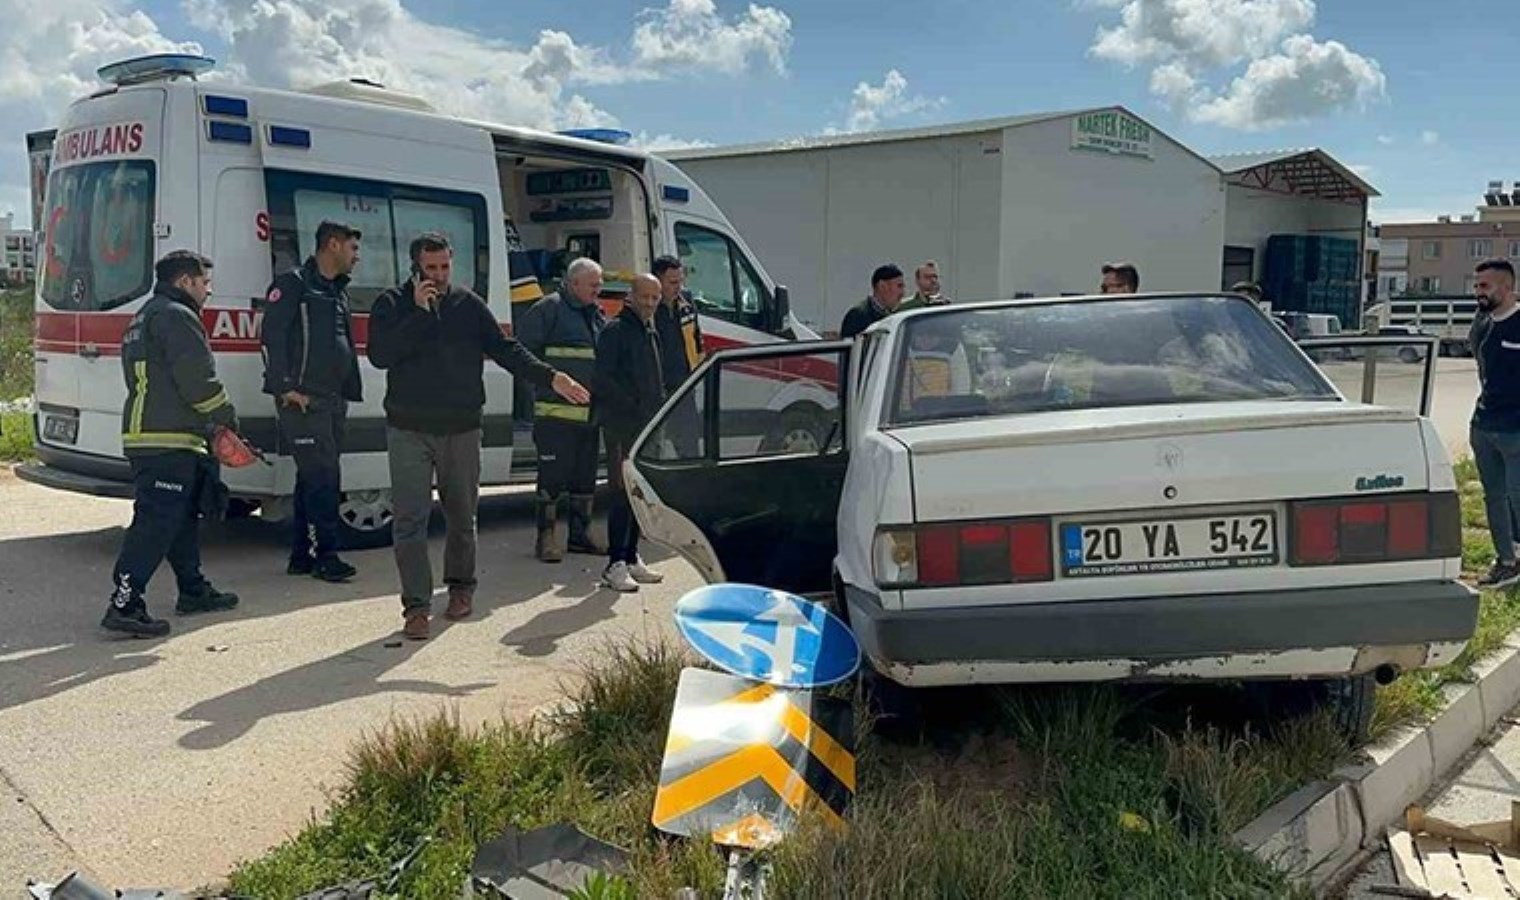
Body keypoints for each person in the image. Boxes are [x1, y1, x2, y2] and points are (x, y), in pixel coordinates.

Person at [368, 233, 589, 640]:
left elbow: (506, 349)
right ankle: (416, 607)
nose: (438, 275)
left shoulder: (468, 305)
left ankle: (460, 588)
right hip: (408, 429)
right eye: (430, 268)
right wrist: (418, 313)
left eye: (444, 267)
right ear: (415, 267)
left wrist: (551, 377)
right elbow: (381, 355)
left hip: (461, 427)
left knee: (461, 516)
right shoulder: (391, 304)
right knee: (409, 522)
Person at [103, 250, 240, 637]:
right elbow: (198, 381)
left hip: (155, 436)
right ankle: (125, 604)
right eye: (205, 283)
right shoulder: (178, 316)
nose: (209, 292)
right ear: (186, 282)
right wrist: (227, 418)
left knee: (180, 519)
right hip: (166, 439)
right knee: (155, 523)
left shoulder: (146, 314)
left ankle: (193, 590)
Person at [260, 221, 364, 583]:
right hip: (302, 400)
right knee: (324, 477)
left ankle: (301, 554)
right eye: (352, 248)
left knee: (312, 477)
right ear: (332, 245)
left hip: (332, 398)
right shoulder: (293, 284)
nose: (357, 256)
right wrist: (284, 387)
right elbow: (270, 336)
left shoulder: (337, 289)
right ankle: (327, 555)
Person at [518, 257, 609, 563]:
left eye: (600, 283)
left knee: (585, 479)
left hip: (590, 416)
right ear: (574, 284)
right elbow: (523, 356)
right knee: (552, 479)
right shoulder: (548, 309)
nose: (600, 289)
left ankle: (580, 537)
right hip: (554, 416)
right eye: (594, 284)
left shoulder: (596, 313)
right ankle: (545, 539)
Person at [595, 273, 670, 592]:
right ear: (631, 295)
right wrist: (633, 407)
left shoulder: (650, 330)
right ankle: (614, 564)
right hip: (622, 426)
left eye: (655, 298)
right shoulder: (615, 331)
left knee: (638, 494)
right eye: (645, 297)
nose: (650, 303)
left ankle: (631, 555)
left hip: (648, 426)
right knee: (621, 494)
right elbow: (603, 380)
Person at [1469, 258, 1520, 589]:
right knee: (1495, 497)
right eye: (1476, 286)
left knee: (1519, 497)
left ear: (1508, 287)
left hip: (1517, 430)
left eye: (1485, 286)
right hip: (1485, 425)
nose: (1478, 293)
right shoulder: (1482, 323)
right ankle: (1506, 561)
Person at [653, 255, 704, 456]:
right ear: (658, 281)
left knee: (689, 448)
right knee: (655, 447)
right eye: (673, 282)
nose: (678, 287)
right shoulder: (648, 307)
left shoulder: (686, 302)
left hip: (684, 386)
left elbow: (696, 338)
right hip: (658, 389)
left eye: (680, 281)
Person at [840, 264, 906, 338]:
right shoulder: (858, 316)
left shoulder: (895, 315)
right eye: (899, 286)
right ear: (882, 286)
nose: (903, 293)